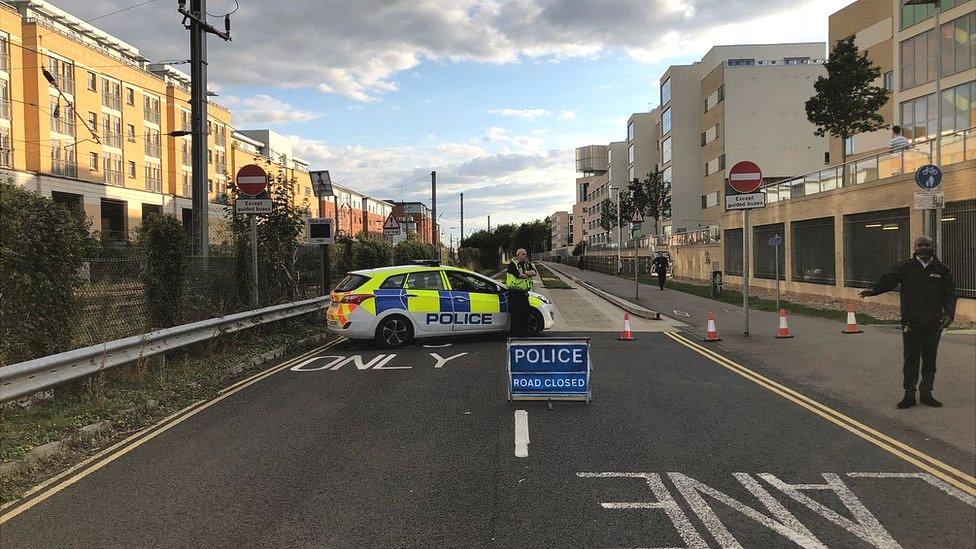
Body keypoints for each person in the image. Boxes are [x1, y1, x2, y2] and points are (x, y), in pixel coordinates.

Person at [860, 235, 955, 409]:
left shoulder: (941, 269)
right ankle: (909, 395)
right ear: (914, 248)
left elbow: (950, 293)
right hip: (911, 322)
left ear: (931, 247)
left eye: (926, 245)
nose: (923, 248)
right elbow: (888, 280)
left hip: (934, 322)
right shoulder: (905, 267)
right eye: (920, 245)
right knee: (911, 360)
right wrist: (874, 291)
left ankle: (927, 393)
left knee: (929, 360)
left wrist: (949, 314)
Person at [506, 248, 538, 336]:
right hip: (515, 294)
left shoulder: (527, 264)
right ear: (518, 255)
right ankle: (515, 336)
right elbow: (519, 275)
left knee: (525, 315)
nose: (525, 256)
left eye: (526, 254)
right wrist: (528, 274)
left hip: (524, 294)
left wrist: (525, 272)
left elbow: (535, 272)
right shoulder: (513, 264)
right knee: (516, 316)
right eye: (523, 254)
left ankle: (523, 335)